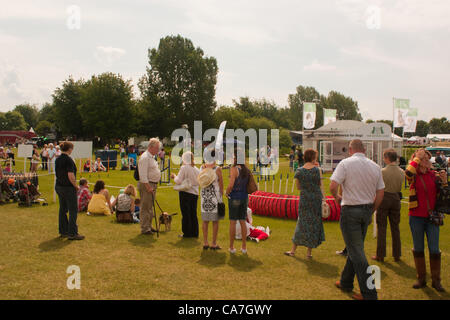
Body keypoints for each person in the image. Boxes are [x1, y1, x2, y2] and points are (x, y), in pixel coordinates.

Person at [329, 139, 385, 300]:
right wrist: (372, 209)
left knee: (357, 252)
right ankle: (346, 282)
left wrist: (337, 198)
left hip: (350, 210)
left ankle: (369, 293)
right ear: (364, 150)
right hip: (367, 209)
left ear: (351, 149)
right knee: (355, 248)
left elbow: (333, 186)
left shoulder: (345, 163)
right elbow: (381, 192)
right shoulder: (375, 166)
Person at [405, 149, 448, 292]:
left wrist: (445, 182)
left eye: (427, 159)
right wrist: (417, 157)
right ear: (418, 161)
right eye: (424, 159)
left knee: (434, 249)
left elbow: (444, 196)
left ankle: (436, 280)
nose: (428, 161)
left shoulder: (434, 175)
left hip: (432, 217)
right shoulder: (413, 175)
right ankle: (421, 278)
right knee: (418, 248)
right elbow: (408, 172)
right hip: (416, 216)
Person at [285, 149, 324, 259]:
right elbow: (320, 184)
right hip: (316, 198)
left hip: (305, 198)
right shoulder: (317, 170)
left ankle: (293, 250)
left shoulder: (299, 171)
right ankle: (309, 253)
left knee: (301, 222)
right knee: (313, 223)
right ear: (313, 158)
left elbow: (298, 187)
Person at [372, 149, 405, 262]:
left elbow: (377, 187)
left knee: (382, 227)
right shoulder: (401, 171)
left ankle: (380, 254)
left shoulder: (382, 171)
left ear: (387, 158)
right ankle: (397, 254)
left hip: (384, 197)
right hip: (396, 198)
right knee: (395, 227)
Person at [54, 141, 84, 240]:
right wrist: (76, 186)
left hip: (59, 186)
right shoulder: (69, 160)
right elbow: (70, 175)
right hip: (68, 187)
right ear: (70, 149)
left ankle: (63, 231)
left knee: (62, 209)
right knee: (73, 210)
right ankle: (72, 233)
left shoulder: (57, 159)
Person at [171, 151, 200, 238]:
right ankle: (195, 232)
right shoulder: (196, 169)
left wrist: (174, 176)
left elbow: (179, 181)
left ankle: (187, 233)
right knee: (193, 213)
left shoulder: (184, 168)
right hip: (194, 193)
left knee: (186, 213)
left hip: (185, 192)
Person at [198, 151, 224, 250]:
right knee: (215, 221)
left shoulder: (202, 168)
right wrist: (221, 196)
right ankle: (213, 243)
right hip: (215, 196)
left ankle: (205, 242)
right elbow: (221, 184)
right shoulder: (217, 169)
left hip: (205, 196)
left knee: (205, 220)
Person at [226, 153, 250, 254]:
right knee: (242, 221)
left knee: (232, 222)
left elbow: (231, 185)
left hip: (235, 197)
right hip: (244, 197)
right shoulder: (246, 170)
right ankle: (244, 247)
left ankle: (231, 247)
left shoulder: (234, 169)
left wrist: (226, 192)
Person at [137, 138, 161, 235]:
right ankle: (145, 228)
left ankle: (149, 226)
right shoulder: (145, 157)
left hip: (152, 183)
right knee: (145, 207)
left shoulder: (151, 157)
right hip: (147, 184)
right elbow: (142, 174)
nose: (158, 150)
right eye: (157, 148)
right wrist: (148, 186)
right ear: (151, 147)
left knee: (150, 207)